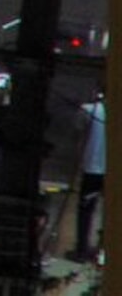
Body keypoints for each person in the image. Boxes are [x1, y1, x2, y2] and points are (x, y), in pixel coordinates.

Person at [72, 90, 106, 263]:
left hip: (92, 169)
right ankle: (102, 251)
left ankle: (81, 250)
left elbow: (78, 134)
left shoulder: (89, 110)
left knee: (85, 211)